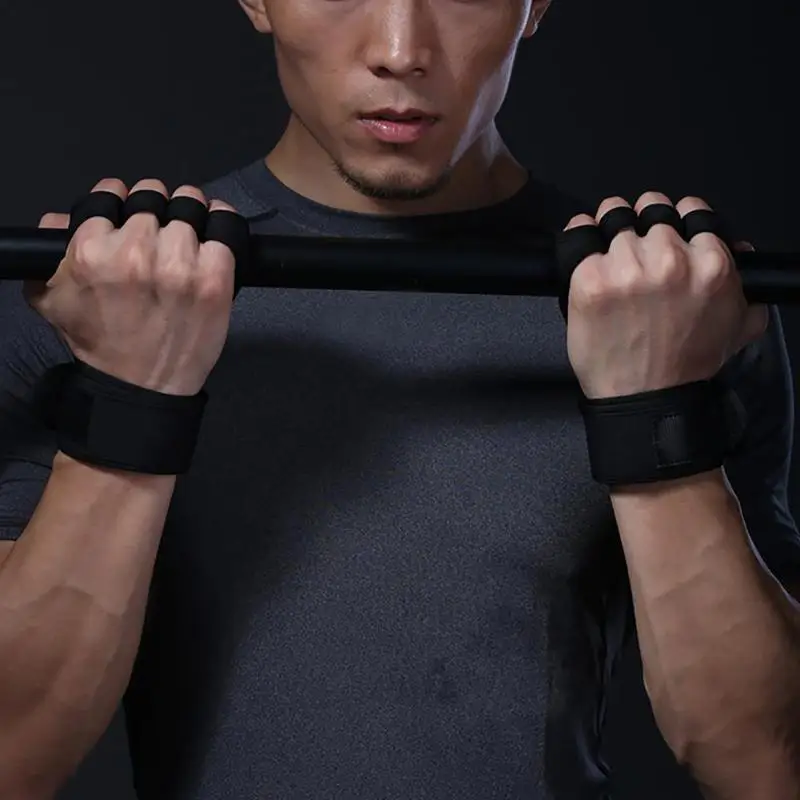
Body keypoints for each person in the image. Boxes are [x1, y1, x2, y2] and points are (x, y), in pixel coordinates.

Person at [1, 0, 799, 798]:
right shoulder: (96, 303)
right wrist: (129, 398)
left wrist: (657, 411)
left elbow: (764, 764)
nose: (399, 49)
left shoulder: (675, 307)